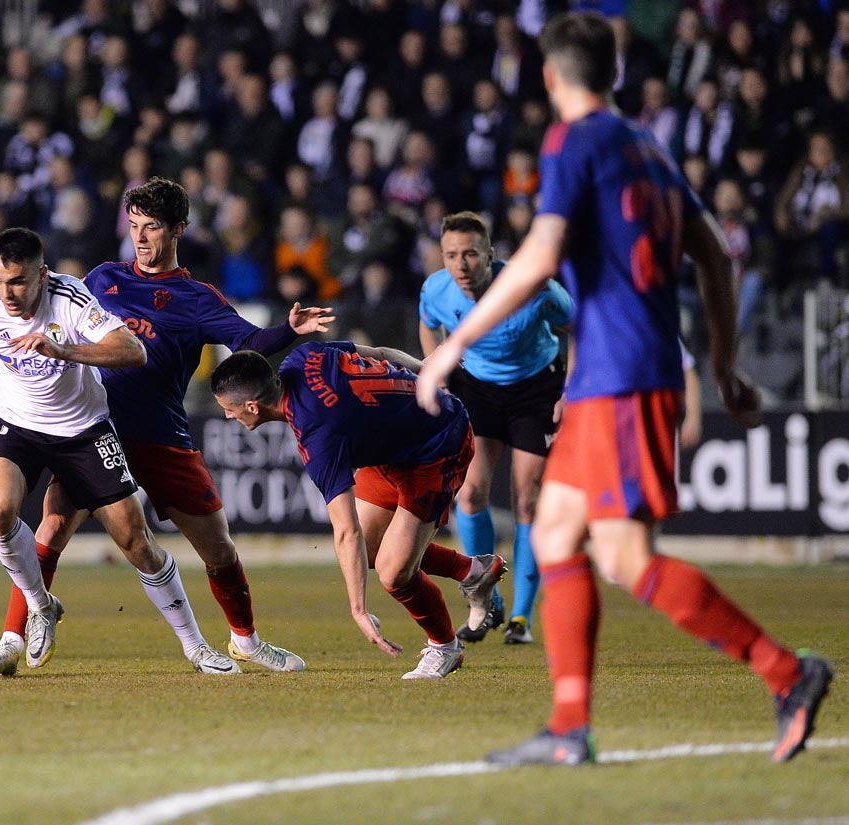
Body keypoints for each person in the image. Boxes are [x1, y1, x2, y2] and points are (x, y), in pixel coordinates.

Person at [416, 11, 832, 766]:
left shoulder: (572, 140)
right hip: (630, 369)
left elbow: (540, 252)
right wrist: (724, 363)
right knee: (554, 532)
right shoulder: (647, 146)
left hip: (620, 375)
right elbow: (712, 255)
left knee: (625, 556)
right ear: (612, 72)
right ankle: (568, 727)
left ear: (549, 77)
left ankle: (787, 671)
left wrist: (454, 351)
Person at [0, 177, 333, 676]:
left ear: (179, 230)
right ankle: (12, 639)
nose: (141, 238)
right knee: (53, 524)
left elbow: (249, 340)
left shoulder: (196, 298)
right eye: (133, 226)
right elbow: (48, 305)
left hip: (161, 434)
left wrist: (290, 329)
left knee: (217, 547)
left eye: (152, 227)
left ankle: (247, 641)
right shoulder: (104, 279)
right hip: (91, 427)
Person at [0, 226, 235, 675]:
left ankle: (195, 646)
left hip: (83, 430)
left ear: (43, 274)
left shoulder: (71, 300)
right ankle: (40, 606)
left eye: (17, 281)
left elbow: (133, 351)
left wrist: (63, 349)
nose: (7, 293)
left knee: (135, 540)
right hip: (16, 424)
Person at [210, 344, 507, 680]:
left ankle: (445, 647)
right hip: (391, 447)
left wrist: (359, 608)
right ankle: (472, 571)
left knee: (394, 573)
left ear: (252, 405)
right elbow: (381, 351)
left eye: (230, 409)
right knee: (371, 550)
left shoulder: (317, 434)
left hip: (438, 444)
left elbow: (345, 529)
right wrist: (424, 368)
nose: (227, 416)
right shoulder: (305, 356)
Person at [419, 210, 573, 646]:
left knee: (528, 498)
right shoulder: (436, 289)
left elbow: (579, 325)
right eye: (451, 255)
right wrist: (437, 369)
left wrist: (573, 388)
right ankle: (489, 591)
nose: (461, 265)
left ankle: (521, 617)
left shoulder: (535, 287)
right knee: (470, 492)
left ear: (490, 255)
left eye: (470, 254)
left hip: (536, 390)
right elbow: (428, 324)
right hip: (478, 388)